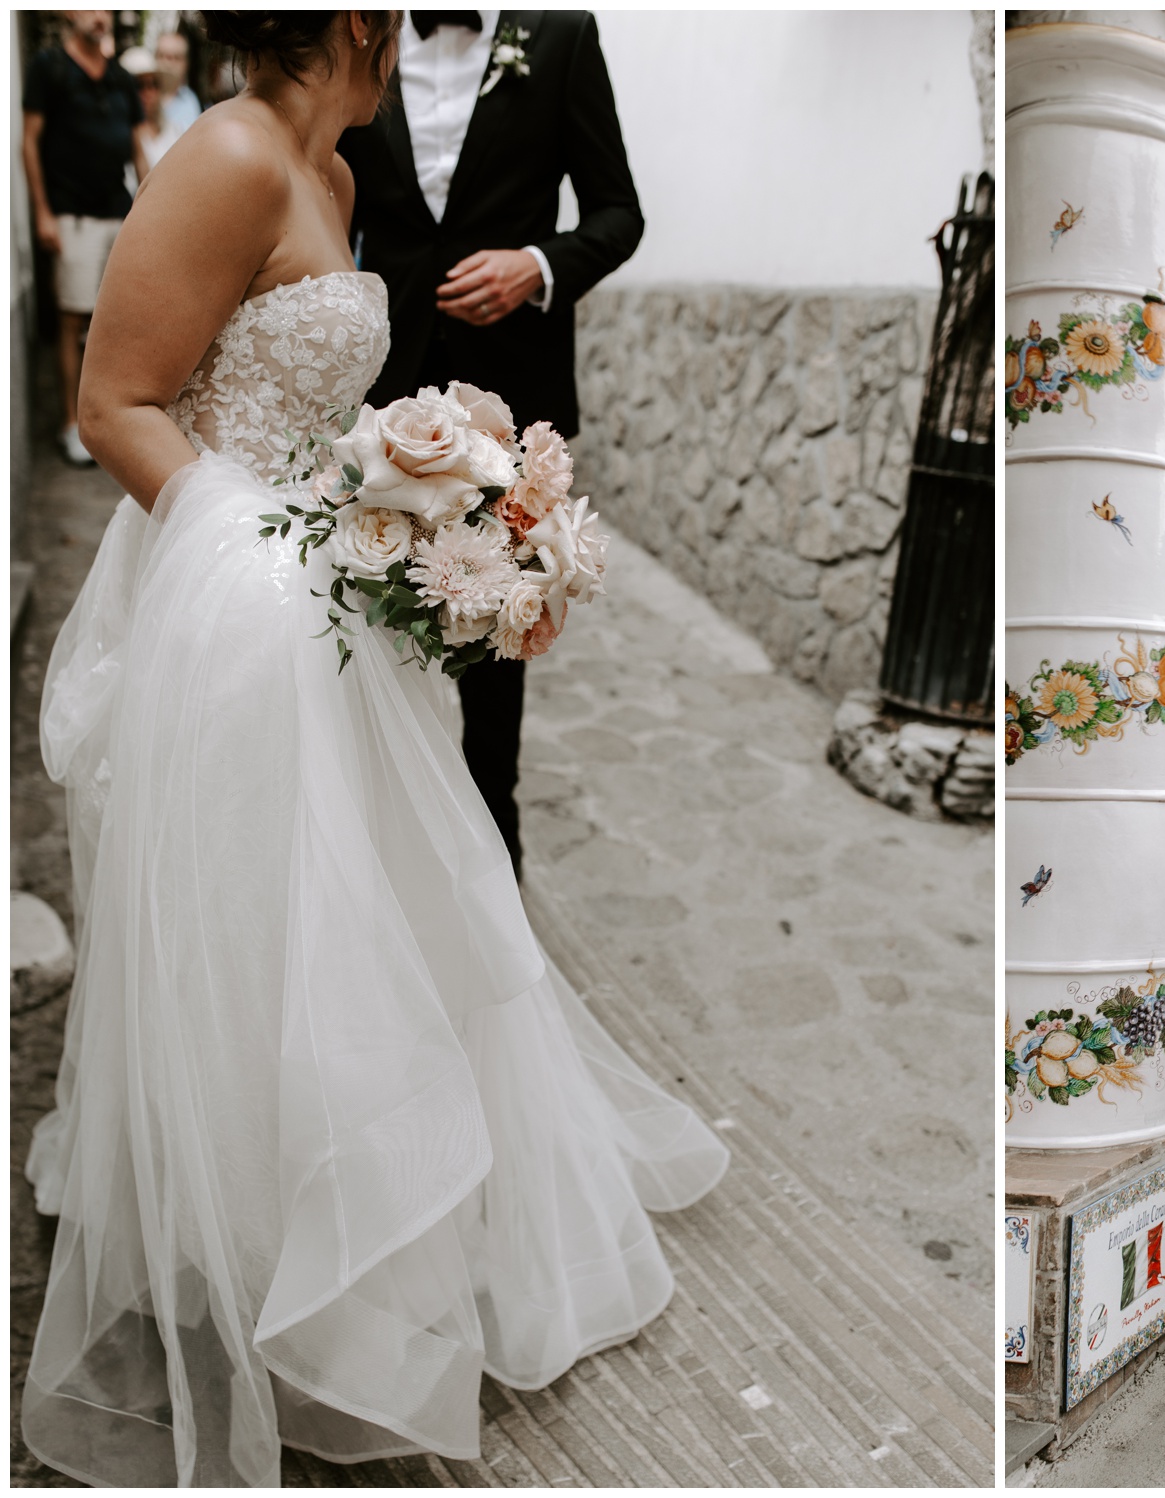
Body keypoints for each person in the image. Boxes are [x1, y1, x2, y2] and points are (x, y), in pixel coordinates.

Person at [23, 14, 727, 1486]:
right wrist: (264, 560)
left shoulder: (334, 174)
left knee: (381, 905)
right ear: (348, 21)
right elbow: (115, 401)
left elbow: (314, 396)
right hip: (239, 603)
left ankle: (367, 1206)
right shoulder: (224, 156)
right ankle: (252, 1232)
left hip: (330, 593)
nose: (408, 29)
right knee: (262, 913)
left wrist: (435, 488)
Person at [337, 10, 644, 878]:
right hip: (383, 392)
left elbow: (619, 213)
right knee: (373, 617)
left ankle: (491, 860)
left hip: (510, 399)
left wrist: (536, 266)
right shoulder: (358, 33)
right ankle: (379, 849)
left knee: (499, 631)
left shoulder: (562, 38)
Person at [22, 10, 148, 468]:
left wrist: (149, 210)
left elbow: (137, 150)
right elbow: (29, 142)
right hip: (71, 215)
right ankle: (70, 425)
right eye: (90, 6)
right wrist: (42, 212)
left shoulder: (120, 78)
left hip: (118, 212)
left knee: (118, 320)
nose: (99, 15)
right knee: (73, 317)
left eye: (105, 8)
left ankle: (112, 423)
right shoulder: (50, 67)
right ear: (69, 11)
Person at [118, 46, 174, 174]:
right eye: (139, 85)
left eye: (153, 84)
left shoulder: (174, 131)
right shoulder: (119, 135)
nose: (148, 93)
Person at [155, 25, 204, 137]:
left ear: (186, 64)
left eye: (176, 58)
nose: (168, 64)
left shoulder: (191, 102)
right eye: (162, 56)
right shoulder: (142, 97)